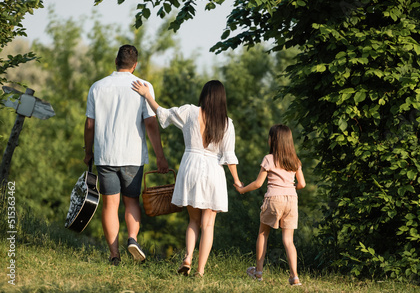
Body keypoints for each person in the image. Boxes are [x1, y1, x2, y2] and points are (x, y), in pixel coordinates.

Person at [131, 79, 242, 277]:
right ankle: (200, 271)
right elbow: (229, 156)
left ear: (204, 95)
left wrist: (147, 95)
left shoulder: (190, 111)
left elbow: (163, 114)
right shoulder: (227, 123)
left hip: (190, 165)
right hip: (213, 171)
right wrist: (236, 179)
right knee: (208, 224)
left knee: (193, 220)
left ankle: (188, 257)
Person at [84, 45, 169, 266]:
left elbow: (89, 125)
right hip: (132, 155)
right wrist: (160, 156)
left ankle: (114, 255)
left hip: (105, 155)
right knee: (132, 201)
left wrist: (88, 152)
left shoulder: (97, 87)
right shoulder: (143, 86)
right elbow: (150, 123)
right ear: (135, 65)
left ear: (115, 61)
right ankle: (132, 239)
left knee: (110, 205)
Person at [234, 124, 306, 286]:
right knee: (288, 240)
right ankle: (294, 277)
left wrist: (242, 189)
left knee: (263, 234)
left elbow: (258, 184)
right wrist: (289, 188)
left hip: (274, 199)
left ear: (273, 140)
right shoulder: (295, 160)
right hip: (291, 200)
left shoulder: (269, 159)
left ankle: (258, 273)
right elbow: (302, 184)